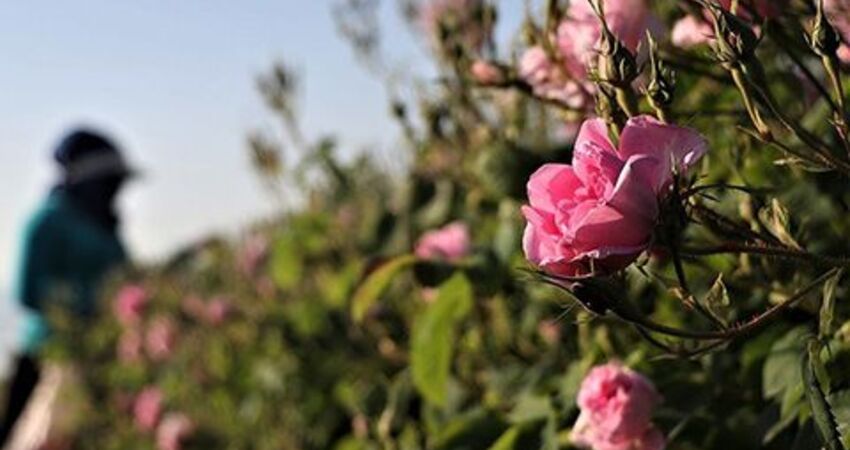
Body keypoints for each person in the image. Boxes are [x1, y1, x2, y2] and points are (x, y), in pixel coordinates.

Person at [0, 128, 137, 445]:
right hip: (48, 358)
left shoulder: (106, 231)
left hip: (103, 356)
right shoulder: (47, 222)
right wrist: (93, 305)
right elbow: (28, 292)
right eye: (110, 183)